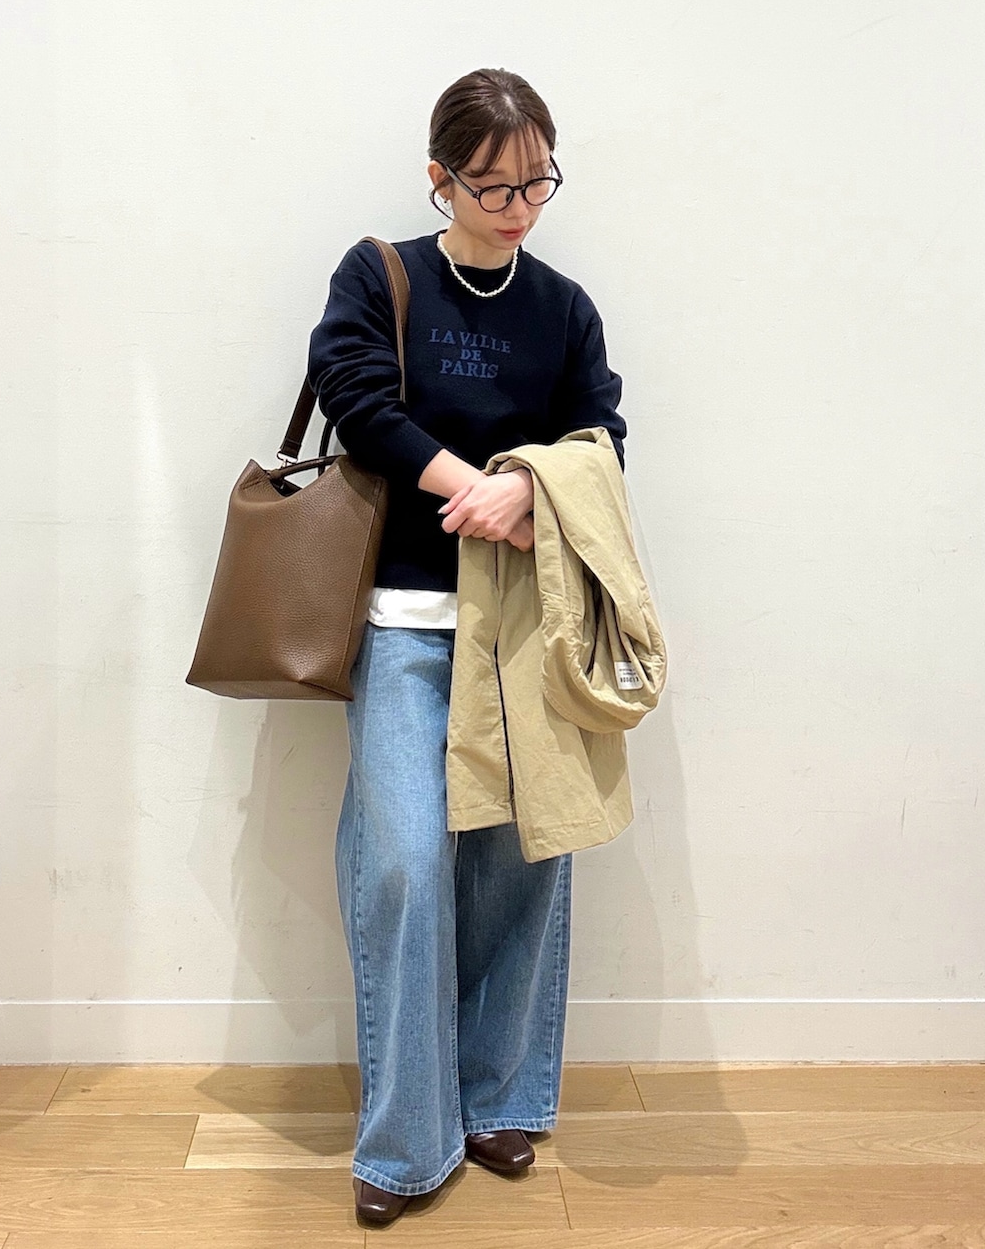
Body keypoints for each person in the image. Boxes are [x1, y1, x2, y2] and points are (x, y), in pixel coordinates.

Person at [307, 67, 626, 1225]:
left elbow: (601, 435)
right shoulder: (379, 273)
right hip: (403, 619)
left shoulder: (562, 306)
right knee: (402, 862)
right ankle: (403, 1141)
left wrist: (528, 493)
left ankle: (496, 1097)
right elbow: (353, 394)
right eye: (494, 186)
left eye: (537, 181)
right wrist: (466, 484)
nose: (519, 207)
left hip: (527, 625)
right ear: (439, 178)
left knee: (522, 861)